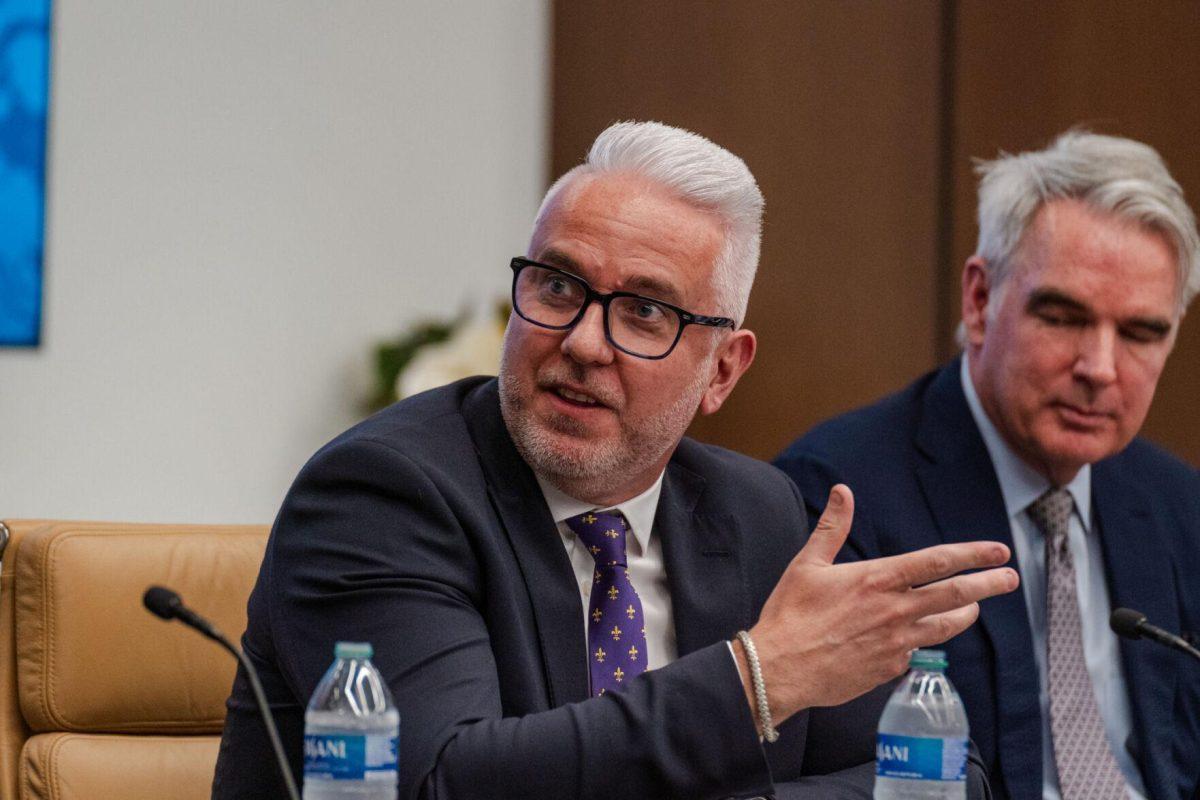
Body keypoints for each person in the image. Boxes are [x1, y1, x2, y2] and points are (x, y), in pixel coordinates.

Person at [213, 121, 1016, 799]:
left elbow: (943, 775)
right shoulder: (382, 495)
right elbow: (442, 780)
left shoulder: (754, 513)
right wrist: (757, 679)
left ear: (723, 371)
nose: (584, 343)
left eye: (643, 311)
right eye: (558, 288)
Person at [776, 130, 1200, 800]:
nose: (1100, 368)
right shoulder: (839, 499)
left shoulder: (1181, 508)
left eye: (1142, 333)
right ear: (980, 300)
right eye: (1062, 317)